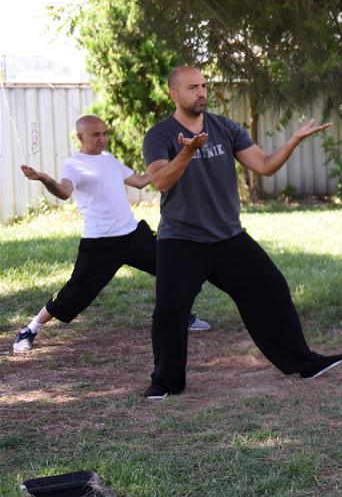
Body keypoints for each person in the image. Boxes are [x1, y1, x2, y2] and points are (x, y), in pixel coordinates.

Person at [141, 66, 342, 399]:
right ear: (173, 94)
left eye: (204, 85)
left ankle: (304, 362)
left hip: (228, 236)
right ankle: (165, 381)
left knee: (272, 287)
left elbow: (264, 165)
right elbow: (161, 181)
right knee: (170, 310)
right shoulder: (160, 135)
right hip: (181, 238)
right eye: (193, 87)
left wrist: (293, 141)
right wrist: (187, 151)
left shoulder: (224, 127)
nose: (202, 92)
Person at [12, 115, 211, 354]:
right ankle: (29, 329)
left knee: (176, 269)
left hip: (132, 234)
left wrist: (177, 159)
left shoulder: (109, 159)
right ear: (80, 137)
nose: (102, 139)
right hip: (101, 243)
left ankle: (180, 315)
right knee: (75, 292)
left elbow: (141, 181)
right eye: (96, 135)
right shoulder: (74, 165)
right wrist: (45, 179)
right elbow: (64, 192)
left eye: (105, 133)